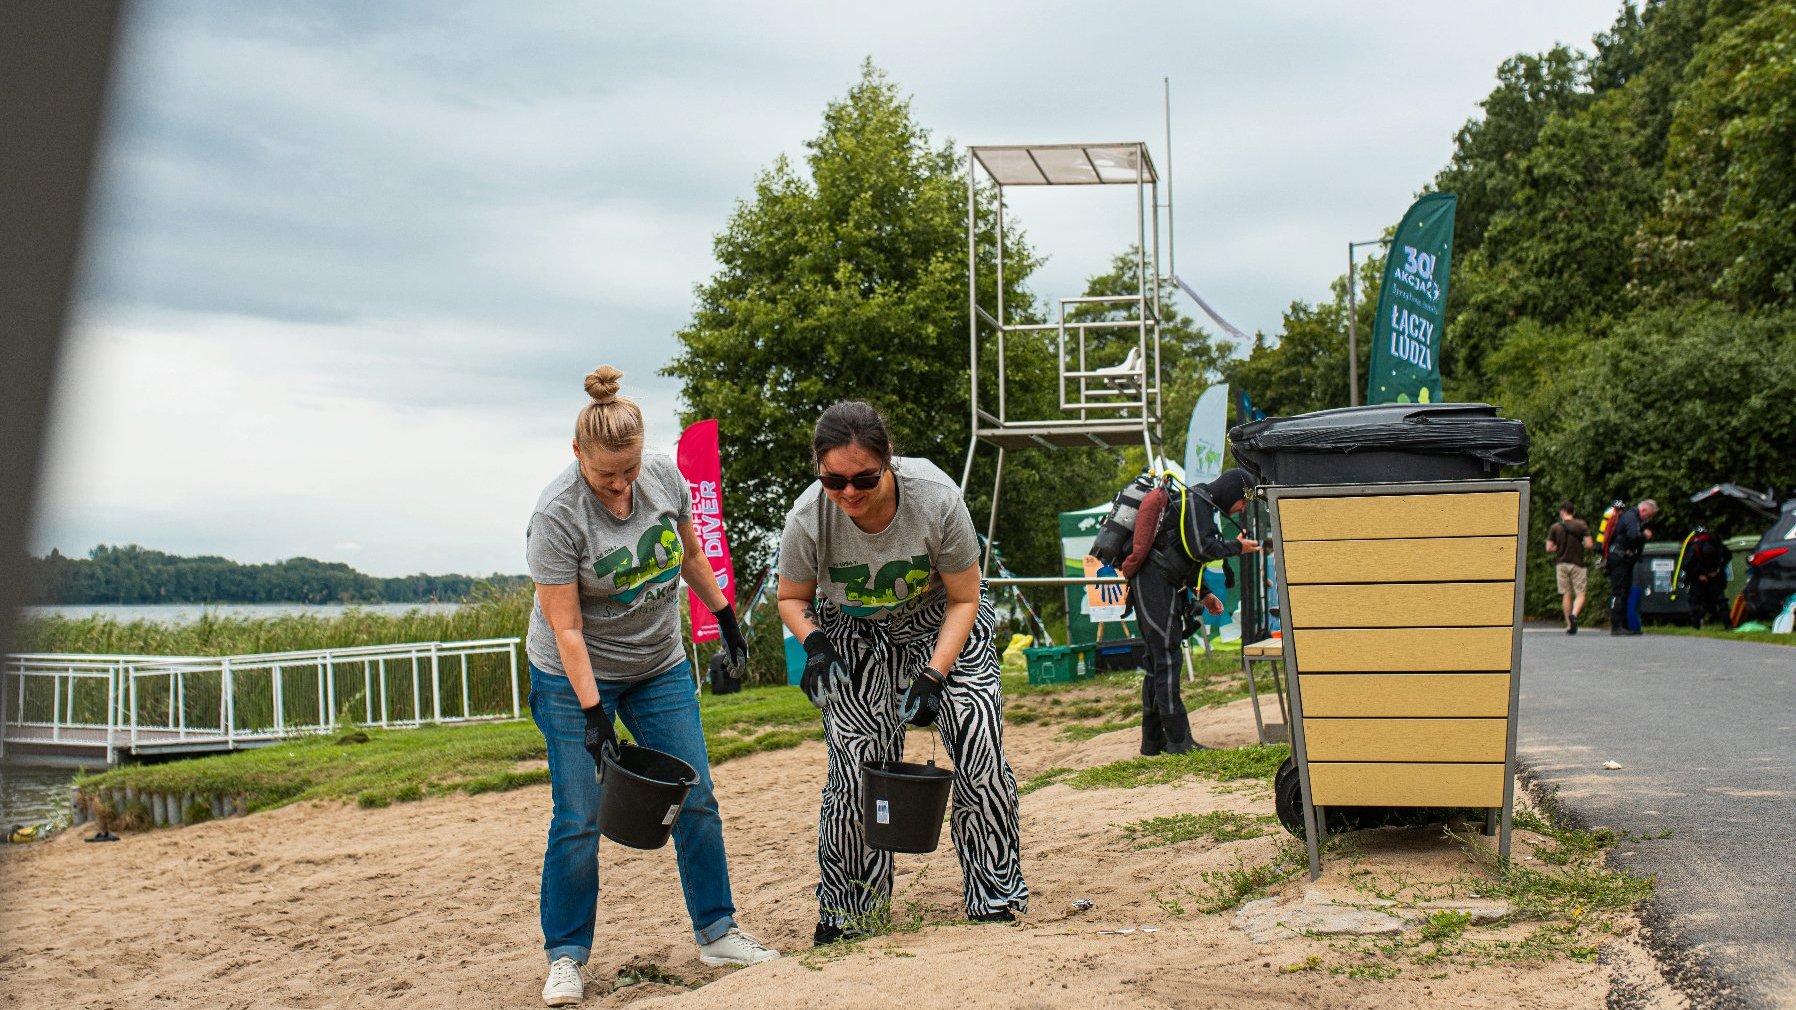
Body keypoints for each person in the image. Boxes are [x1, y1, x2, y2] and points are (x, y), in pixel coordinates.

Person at [526, 365, 777, 1007]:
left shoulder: (663, 476)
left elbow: (690, 555)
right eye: (607, 474)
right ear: (577, 453)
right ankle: (566, 956)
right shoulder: (557, 516)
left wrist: (726, 619)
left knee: (697, 794)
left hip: (658, 665)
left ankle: (718, 931)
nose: (620, 487)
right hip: (573, 677)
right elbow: (568, 630)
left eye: (629, 471)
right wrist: (592, 714)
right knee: (580, 813)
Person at [776, 401, 1027, 944]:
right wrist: (816, 646)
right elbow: (792, 598)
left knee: (976, 741)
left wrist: (935, 676)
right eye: (834, 480)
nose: (848, 493)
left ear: (888, 460)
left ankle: (994, 894)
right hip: (854, 632)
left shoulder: (936, 498)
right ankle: (850, 912)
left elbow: (966, 597)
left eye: (863, 478)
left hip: (942, 622)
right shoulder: (807, 518)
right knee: (854, 770)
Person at [1121, 468, 1260, 755]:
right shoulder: (1197, 502)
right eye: (1243, 501)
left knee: (1158, 661)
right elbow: (1200, 548)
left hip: (1160, 584)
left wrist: (1205, 593)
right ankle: (1178, 740)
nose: (1242, 507)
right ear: (1233, 491)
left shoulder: (1201, 505)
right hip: (1151, 585)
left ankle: (1153, 741)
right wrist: (1236, 547)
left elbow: (1184, 557)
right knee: (1167, 659)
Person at [1605, 498, 1657, 636]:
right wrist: (1644, 535)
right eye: (1649, 515)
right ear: (1644, 510)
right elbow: (1633, 536)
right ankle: (1616, 626)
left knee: (1626, 591)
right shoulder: (1631, 517)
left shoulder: (1636, 519)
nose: (1649, 519)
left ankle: (1625, 625)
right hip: (1618, 558)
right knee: (1619, 591)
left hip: (1626, 559)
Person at [1544, 501, 1594, 634]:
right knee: (1580, 593)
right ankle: (1575, 615)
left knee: (1566, 593)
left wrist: (1558, 547)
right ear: (1573, 511)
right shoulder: (1581, 525)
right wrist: (1581, 544)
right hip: (1578, 563)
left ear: (1562, 511)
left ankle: (1568, 624)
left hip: (1561, 564)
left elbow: (1548, 548)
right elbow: (1589, 544)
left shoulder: (1555, 527)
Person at [1680, 526, 1732, 630]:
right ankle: (1697, 626)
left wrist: (1716, 570)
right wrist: (1699, 575)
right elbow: (1686, 565)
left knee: (1718, 600)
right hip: (1698, 576)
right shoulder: (1696, 547)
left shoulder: (1716, 545)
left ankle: (1727, 626)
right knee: (1699, 601)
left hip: (1711, 575)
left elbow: (1728, 556)